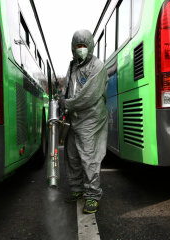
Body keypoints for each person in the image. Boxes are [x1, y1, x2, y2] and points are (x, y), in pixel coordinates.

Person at [59, 29, 108, 214]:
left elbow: (89, 96)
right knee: (71, 156)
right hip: (75, 118)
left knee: (89, 157)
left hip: (91, 119)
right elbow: (71, 90)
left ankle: (93, 196)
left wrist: (68, 103)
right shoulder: (73, 66)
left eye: (84, 46)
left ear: (91, 46)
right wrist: (65, 105)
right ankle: (77, 190)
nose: (81, 49)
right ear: (73, 47)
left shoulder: (98, 66)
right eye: (78, 46)